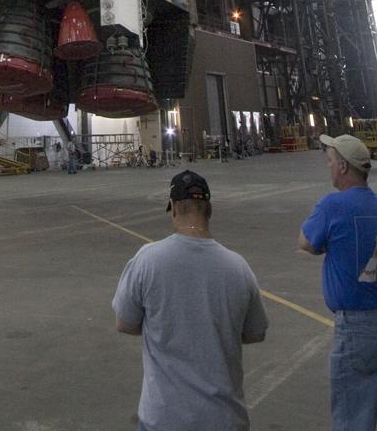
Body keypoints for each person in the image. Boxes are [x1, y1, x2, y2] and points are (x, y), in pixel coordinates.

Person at [112, 169, 267, 431]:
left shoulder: (148, 260)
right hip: (225, 419)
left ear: (173, 208)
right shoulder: (238, 267)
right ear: (209, 209)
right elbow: (255, 333)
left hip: (164, 418)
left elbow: (125, 323)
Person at [298, 133, 377, 431]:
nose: (328, 167)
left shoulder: (333, 205)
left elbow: (307, 242)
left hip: (358, 329)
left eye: (330, 162)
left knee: (353, 419)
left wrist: (328, 244)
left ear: (343, 168)